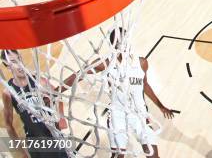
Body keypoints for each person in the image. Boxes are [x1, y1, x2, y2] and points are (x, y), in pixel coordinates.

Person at [58, 28, 174, 158]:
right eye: (118, 43)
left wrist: (161, 106)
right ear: (113, 45)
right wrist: (57, 91)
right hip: (117, 115)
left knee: (153, 155)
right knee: (119, 156)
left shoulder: (141, 63)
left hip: (139, 115)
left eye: (124, 42)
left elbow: (145, 84)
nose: (122, 45)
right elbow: (79, 75)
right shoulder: (106, 64)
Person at [2, 49, 68, 158]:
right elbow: (8, 125)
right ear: (8, 66)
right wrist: (22, 152)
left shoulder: (38, 80)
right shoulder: (8, 92)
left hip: (53, 136)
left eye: (19, 59)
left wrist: (61, 117)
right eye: (13, 62)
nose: (19, 64)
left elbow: (56, 95)